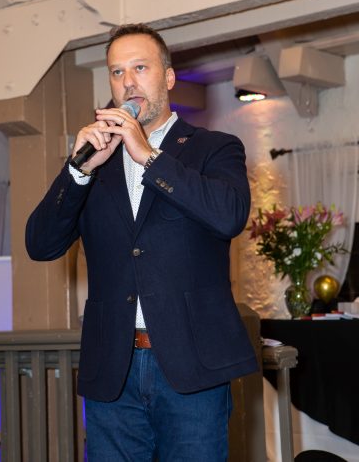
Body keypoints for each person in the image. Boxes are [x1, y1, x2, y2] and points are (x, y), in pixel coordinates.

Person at [26, 23, 258, 461]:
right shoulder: (95, 163)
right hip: (113, 370)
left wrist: (149, 156)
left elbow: (229, 216)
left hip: (193, 367)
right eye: (117, 72)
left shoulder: (214, 148)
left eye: (140, 68)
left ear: (168, 78)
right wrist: (77, 171)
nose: (128, 82)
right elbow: (40, 244)